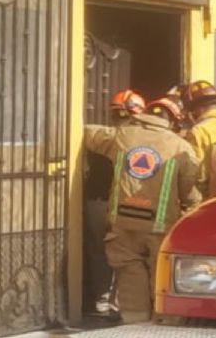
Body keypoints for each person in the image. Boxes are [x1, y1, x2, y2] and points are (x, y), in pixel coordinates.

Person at [82, 105, 200, 323]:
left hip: (123, 221)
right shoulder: (181, 146)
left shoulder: (122, 135)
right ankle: (164, 322)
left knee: (129, 272)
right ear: (173, 121)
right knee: (162, 273)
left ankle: (135, 323)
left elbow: (87, 133)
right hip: (160, 226)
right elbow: (187, 187)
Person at [83, 89, 146, 316]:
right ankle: (117, 300)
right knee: (125, 252)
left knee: (102, 251)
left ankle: (105, 299)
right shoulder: (138, 141)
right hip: (121, 203)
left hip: (100, 201)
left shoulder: (101, 138)